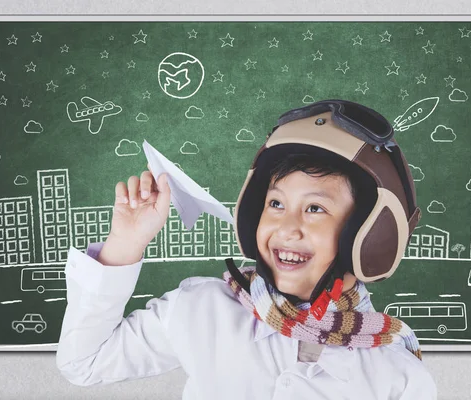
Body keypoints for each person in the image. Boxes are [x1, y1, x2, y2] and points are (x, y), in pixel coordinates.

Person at [56, 100, 437, 399]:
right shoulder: (203, 309)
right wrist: (124, 245)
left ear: (370, 233)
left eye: (315, 208)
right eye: (275, 204)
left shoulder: (397, 377)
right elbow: (85, 363)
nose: (287, 228)